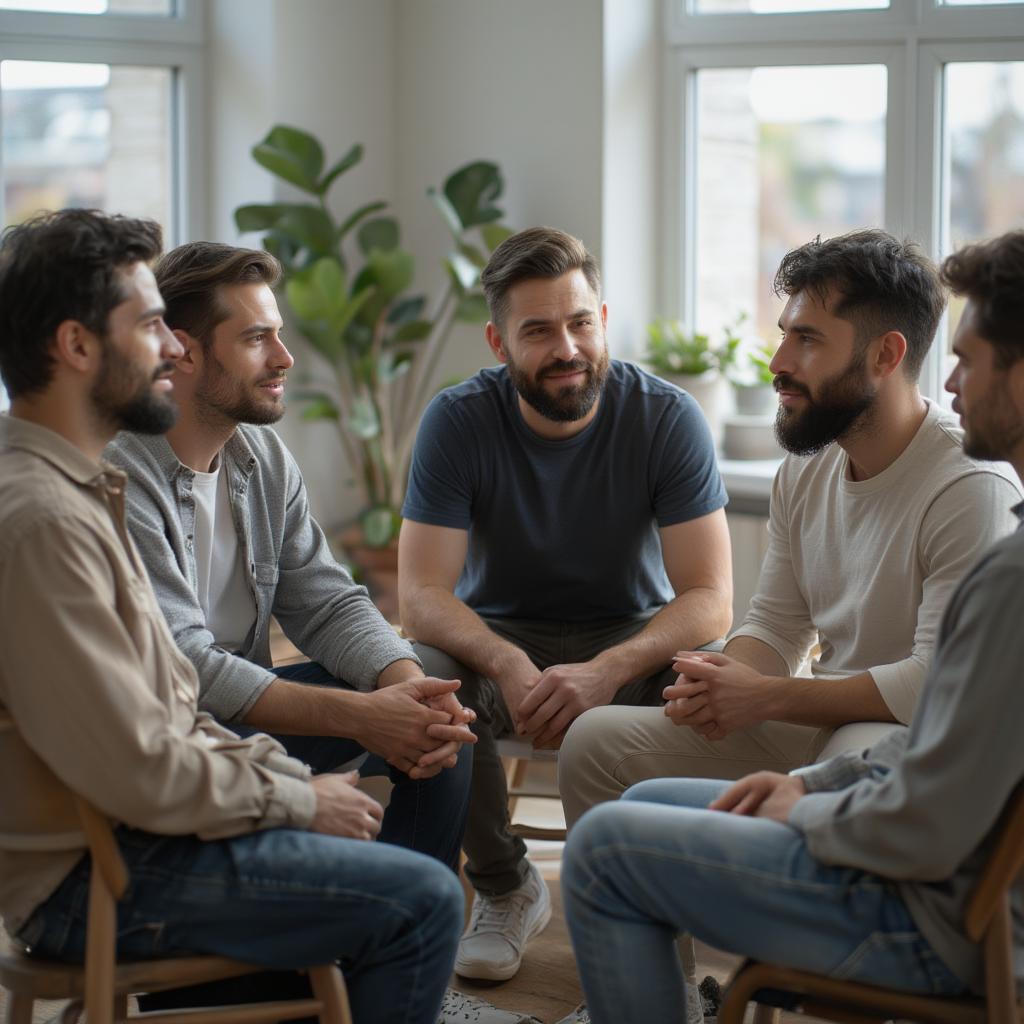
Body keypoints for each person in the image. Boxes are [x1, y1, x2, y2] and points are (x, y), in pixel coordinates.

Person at [0, 208, 463, 1024]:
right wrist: (298, 798)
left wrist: (302, 767)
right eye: (150, 326)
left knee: (435, 746)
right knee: (420, 901)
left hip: (140, 829)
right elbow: (139, 763)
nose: (171, 348)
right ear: (77, 347)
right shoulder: (46, 519)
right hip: (94, 874)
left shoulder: (78, 493)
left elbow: (168, 703)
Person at [561, 229, 1024, 1024]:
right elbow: (776, 620)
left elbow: (926, 711)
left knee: (609, 852)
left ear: (883, 355)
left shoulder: (977, 504)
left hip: (922, 862)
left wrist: (783, 742)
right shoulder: (805, 467)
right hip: (851, 751)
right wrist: (724, 686)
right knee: (600, 748)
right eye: (786, 334)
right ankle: (659, 994)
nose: (778, 360)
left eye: (806, 339)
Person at [398, 226, 734, 985]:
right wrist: (508, 662)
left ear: (604, 320)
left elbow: (710, 598)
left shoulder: (667, 416)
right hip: (498, 634)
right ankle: (504, 884)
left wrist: (607, 670)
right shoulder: (457, 420)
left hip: (631, 634)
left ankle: (647, 898)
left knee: (711, 673)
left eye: (581, 322)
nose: (568, 347)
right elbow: (421, 596)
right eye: (539, 331)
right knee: (422, 674)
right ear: (498, 342)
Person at [104, 241, 475, 878]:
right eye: (256, 338)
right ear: (184, 351)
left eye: (278, 333)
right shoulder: (121, 473)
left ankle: (403, 960)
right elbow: (185, 663)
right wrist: (362, 717)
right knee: (402, 719)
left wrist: (405, 692)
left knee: (435, 719)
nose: (284, 357)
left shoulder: (262, 458)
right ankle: (374, 932)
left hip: (245, 720)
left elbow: (328, 602)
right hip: (173, 744)